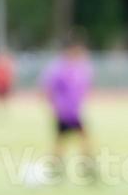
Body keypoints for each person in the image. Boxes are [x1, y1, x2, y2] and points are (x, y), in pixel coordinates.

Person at [35, 37, 95, 185]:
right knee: (69, 140)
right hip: (64, 112)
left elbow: (83, 87)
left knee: (65, 141)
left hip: (74, 112)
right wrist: (52, 105)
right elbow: (47, 87)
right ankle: (81, 168)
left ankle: (61, 168)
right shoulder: (58, 68)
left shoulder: (79, 68)